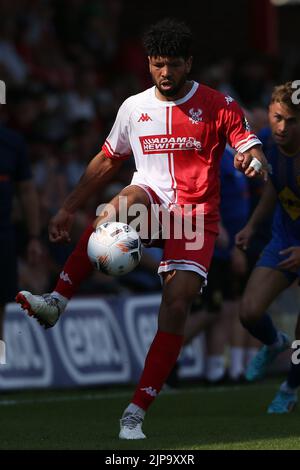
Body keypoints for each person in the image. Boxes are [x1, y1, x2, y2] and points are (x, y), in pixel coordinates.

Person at [16, 18, 267, 439]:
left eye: (172, 64)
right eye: (156, 64)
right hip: (149, 198)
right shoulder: (134, 107)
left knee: (176, 303)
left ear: (188, 63)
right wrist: (66, 207)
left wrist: (252, 159)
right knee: (116, 206)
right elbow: (107, 159)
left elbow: (249, 145)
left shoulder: (218, 104)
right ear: (148, 64)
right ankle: (57, 300)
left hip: (193, 218)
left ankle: (136, 410)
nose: (164, 73)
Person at [235, 81, 300, 413]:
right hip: (284, 238)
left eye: (291, 120)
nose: (282, 127)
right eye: (277, 118)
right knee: (249, 312)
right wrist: (252, 225)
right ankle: (275, 343)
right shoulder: (269, 144)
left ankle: (289, 387)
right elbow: (275, 187)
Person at [0, 124, 42, 340]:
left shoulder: (11, 142)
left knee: (1, 304)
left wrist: (34, 237)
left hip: (3, 236)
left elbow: (27, 191)